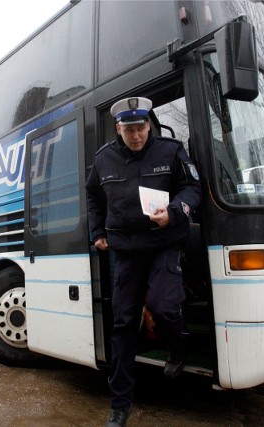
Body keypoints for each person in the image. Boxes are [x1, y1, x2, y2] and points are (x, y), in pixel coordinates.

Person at [85, 97, 201, 427]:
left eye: (141, 129)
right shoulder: (104, 159)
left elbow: (192, 187)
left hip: (163, 244)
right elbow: (93, 195)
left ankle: (178, 345)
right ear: (118, 129)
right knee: (122, 324)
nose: (136, 136)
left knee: (165, 308)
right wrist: (97, 232)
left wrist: (177, 211)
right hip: (126, 253)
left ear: (149, 125)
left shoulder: (170, 150)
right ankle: (119, 405)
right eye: (129, 130)